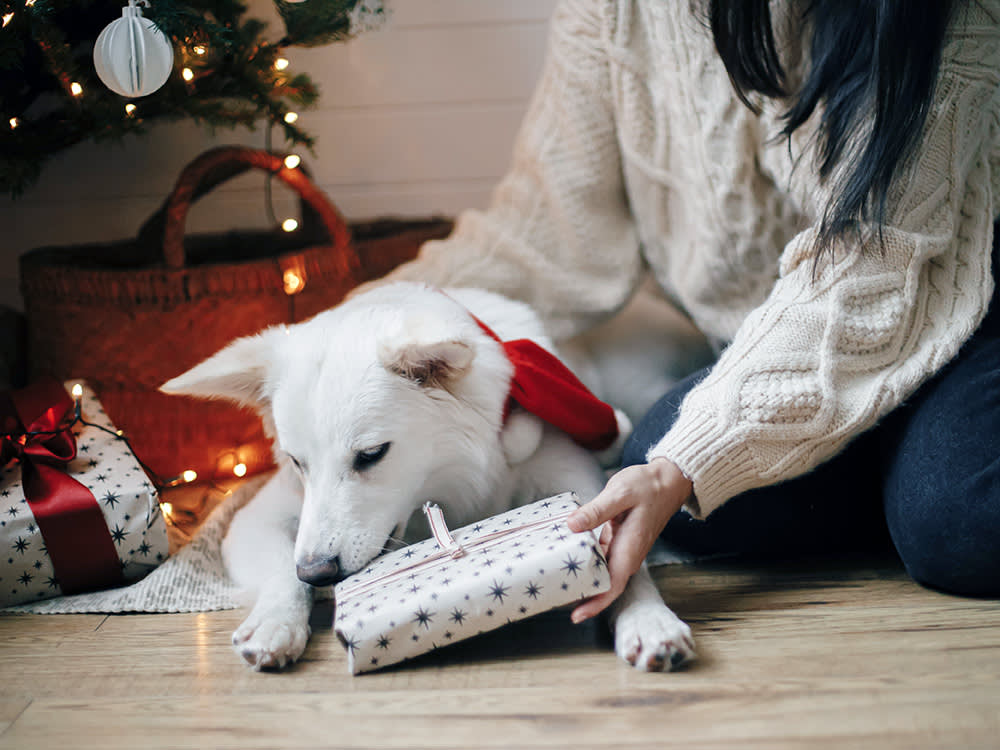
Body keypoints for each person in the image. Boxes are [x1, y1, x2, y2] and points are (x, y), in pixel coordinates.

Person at [372, 0, 1000, 618]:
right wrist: (360, 321)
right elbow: (545, 229)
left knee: (956, 525)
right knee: (659, 473)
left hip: (964, 306)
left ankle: (912, 475)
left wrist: (690, 465)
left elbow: (870, 270)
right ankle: (885, 458)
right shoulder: (612, 12)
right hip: (780, 337)